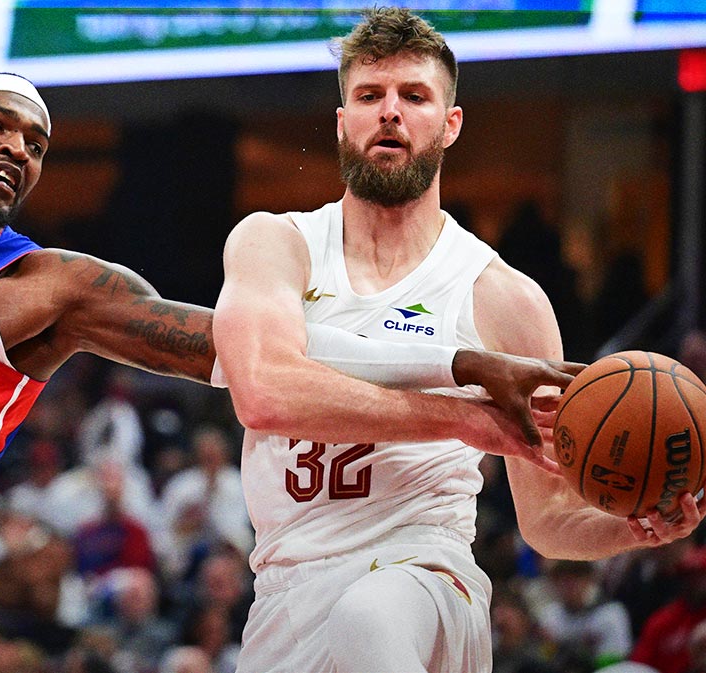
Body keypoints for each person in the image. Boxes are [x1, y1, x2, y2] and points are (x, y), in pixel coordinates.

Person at [0, 72, 583, 673]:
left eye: (37, 144)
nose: (17, 149)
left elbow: (246, 352)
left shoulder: (49, 286)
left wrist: (467, 363)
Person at [212, 9, 705, 673]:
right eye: (369, 96)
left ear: (450, 123)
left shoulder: (504, 296)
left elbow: (547, 520)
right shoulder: (275, 243)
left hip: (424, 578)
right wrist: (468, 417)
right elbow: (264, 392)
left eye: (413, 96)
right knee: (352, 618)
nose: (390, 112)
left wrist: (634, 524)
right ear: (341, 122)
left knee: (369, 613)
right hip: (284, 595)